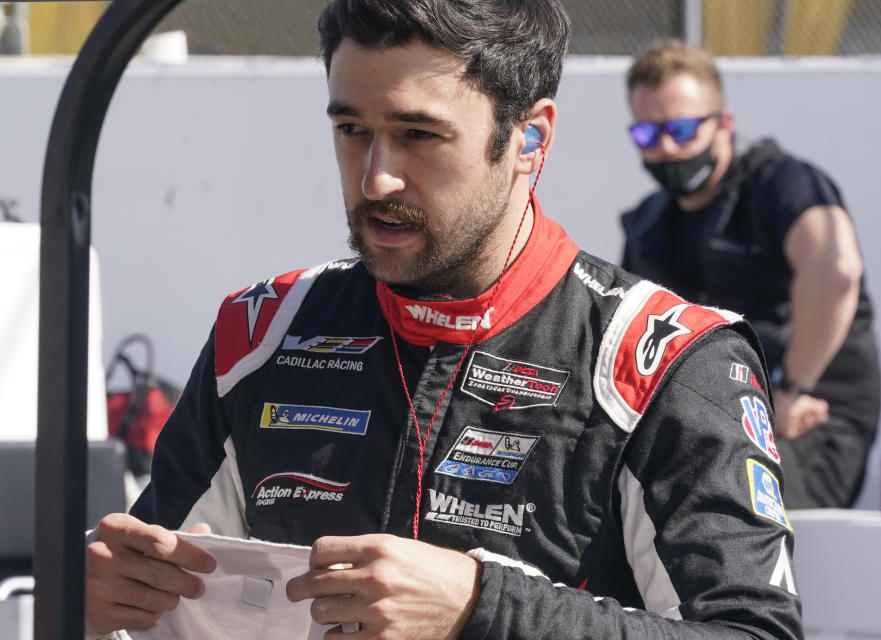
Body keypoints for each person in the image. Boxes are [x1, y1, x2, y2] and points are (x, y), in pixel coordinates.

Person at [84, 3, 802, 639]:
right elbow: (154, 597)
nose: (376, 179)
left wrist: (482, 607)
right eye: (352, 130)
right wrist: (96, 603)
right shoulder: (264, 334)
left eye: (419, 135)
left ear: (530, 138)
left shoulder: (666, 361)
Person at [619, 40, 881, 509]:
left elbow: (836, 270)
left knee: (739, 521)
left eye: (681, 130)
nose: (666, 148)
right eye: (647, 135)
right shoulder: (649, 224)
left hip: (808, 417)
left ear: (725, 124)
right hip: (712, 427)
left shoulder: (781, 185)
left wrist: (791, 390)